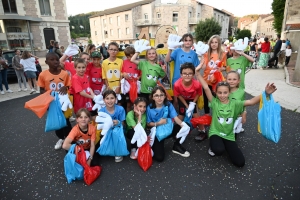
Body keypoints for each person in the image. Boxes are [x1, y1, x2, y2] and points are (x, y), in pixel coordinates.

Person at [195, 62, 277, 167]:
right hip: (216, 132)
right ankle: (214, 143)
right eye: (219, 93)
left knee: (240, 163)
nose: (222, 95)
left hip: (229, 134)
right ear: (216, 93)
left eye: (225, 93)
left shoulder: (235, 104)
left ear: (229, 93)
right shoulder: (215, 102)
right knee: (218, 150)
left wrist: (266, 93)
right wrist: (197, 73)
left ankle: (224, 143)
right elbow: (206, 87)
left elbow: (251, 102)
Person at [38, 52, 72, 150]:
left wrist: (65, 87)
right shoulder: (43, 74)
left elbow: (69, 85)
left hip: (63, 102)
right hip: (52, 103)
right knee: (56, 121)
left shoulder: (64, 73)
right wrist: (48, 94)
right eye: (52, 60)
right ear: (46, 62)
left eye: (57, 59)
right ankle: (61, 138)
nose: (55, 62)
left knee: (66, 120)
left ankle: (69, 138)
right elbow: (41, 89)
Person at [147, 86, 190, 162]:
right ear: (152, 97)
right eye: (156, 95)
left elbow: (176, 118)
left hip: (168, 128)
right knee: (159, 158)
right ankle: (156, 145)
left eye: (161, 95)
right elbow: (148, 124)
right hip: (157, 133)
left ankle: (177, 146)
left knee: (185, 126)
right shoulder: (149, 108)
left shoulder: (168, 104)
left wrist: (184, 126)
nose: (159, 97)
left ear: (164, 96)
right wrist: (158, 123)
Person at [173, 62, 206, 141]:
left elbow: (198, 93)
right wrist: (186, 105)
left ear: (193, 74)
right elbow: (179, 95)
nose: (187, 75)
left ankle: (202, 131)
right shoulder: (177, 84)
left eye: (190, 73)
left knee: (195, 115)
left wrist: (193, 104)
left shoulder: (197, 84)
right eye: (184, 73)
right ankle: (177, 130)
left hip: (192, 99)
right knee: (181, 114)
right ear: (181, 75)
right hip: (183, 99)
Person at [98, 89, 126, 163]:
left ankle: (118, 152)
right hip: (107, 131)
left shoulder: (120, 109)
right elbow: (100, 125)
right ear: (103, 100)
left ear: (115, 99)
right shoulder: (101, 111)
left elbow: (123, 123)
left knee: (115, 132)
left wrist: (119, 122)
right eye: (107, 98)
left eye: (112, 98)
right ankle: (108, 148)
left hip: (118, 129)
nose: (110, 101)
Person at [201, 35, 227, 114]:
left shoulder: (223, 54)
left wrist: (220, 69)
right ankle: (207, 116)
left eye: (216, 42)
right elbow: (204, 68)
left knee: (217, 98)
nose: (214, 44)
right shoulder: (206, 54)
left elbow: (225, 67)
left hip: (217, 81)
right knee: (206, 99)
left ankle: (217, 115)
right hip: (206, 80)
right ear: (209, 44)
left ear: (219, 43)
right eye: (212, 42)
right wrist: (202, 57)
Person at [122, 46, 141, 112]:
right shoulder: (124, 62)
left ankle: (137, 117)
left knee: (136, 103)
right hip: (127, 87)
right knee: (128, 104)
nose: (130, 58)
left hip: (136, 86)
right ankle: (128, 119)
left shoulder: (138, 62)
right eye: (128, 57)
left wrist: (138, 77)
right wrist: (123, 74)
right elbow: (121, 72)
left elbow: (141, 73)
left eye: (131, 56)